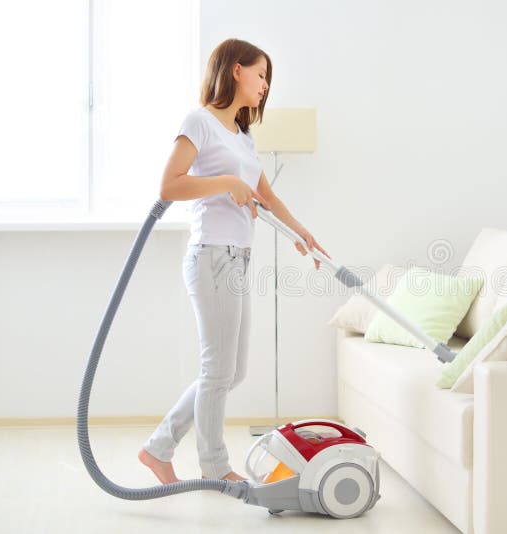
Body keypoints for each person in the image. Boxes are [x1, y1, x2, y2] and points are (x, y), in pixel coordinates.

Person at [137, 38, 328, 483]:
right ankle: (215, 468)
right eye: (261, 74)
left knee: (231, 371)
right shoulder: (199, 123)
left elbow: (267, 196)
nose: (265, 86)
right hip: (211, 257)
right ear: (236, 70)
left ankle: (158, 448)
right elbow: (170, 186)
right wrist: (224, 182)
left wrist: (301, 232)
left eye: (267, 79)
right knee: (217, 369)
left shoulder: (243, 137)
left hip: (239, 261)